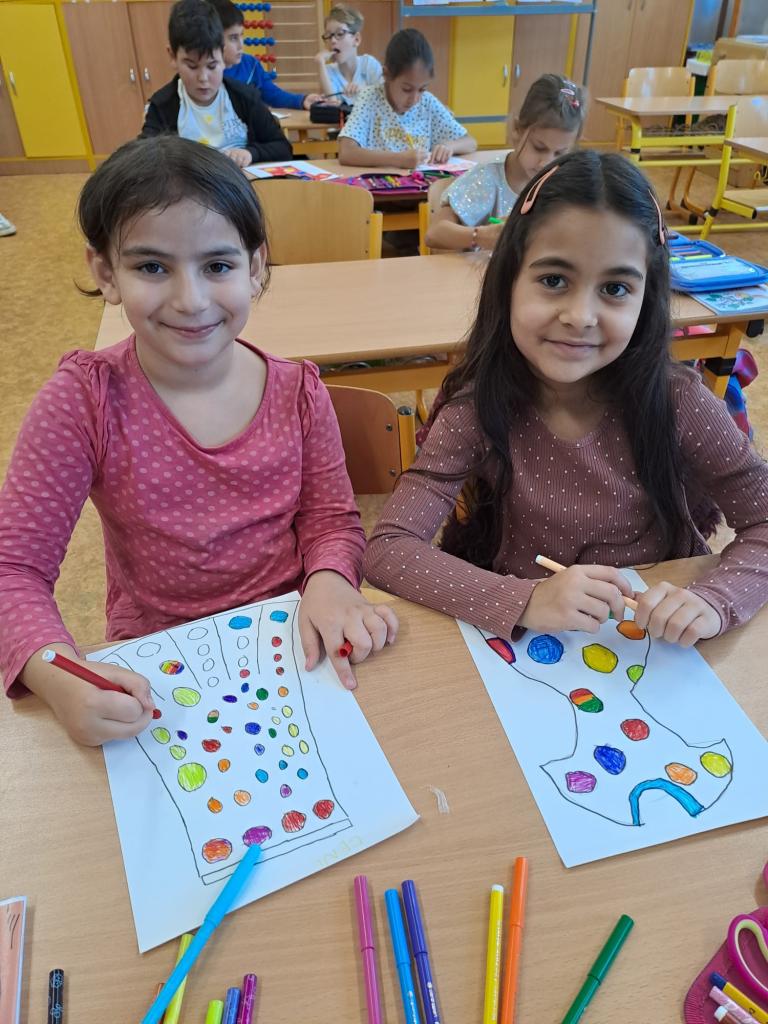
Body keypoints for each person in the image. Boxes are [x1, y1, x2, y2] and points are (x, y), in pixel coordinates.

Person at [0, 135, 397, 746]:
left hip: (295, 634)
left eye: (217, 266)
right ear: (106, 273)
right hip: (157, 656)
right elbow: (14, 568)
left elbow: (331, 521)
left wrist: (329, 579)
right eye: (152, 267)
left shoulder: (298, 392)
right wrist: (54, 672)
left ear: (255, 267)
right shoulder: (83, 400)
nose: (191, 301)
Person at [364, 150, 768, 647]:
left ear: (646, 298)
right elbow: (389, 548)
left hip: (654, 648)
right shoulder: (477, 406)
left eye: (615, 288)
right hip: (526, 643)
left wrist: (715, 601)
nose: (580, 316)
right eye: (553, 280)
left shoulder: (679, 401)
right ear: (509, 281)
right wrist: (526, 600)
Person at [426, 73, 586, 253]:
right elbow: (434, 233)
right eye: (539, 148)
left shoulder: (564, 185)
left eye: (560, 153)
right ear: (517, 130)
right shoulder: (488, 178)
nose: (546, 163)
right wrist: (481, 236)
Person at [140, 0, 292, 168]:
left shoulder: (245, 98)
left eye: (212, 66)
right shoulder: (162, 106)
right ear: (172, 56)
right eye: (192, 66)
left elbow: (283, 148)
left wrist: (251, 153)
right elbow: (143, 158)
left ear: (223, 54)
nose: (203, 78)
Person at [338, 28, 476, 169]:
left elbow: (470, 142)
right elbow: (346, 152)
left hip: (419, 182)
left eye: (422, 89)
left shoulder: (427, 102)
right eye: (407, 89)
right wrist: (398, 159)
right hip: (379, 182)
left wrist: (448, 146)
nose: (414, 99)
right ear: (386, 74)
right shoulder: (370, 99)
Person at [211, 0, 323, 111]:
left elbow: (273, 95)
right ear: (214, 38)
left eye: (241, 35)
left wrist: (302, 100)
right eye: (233, 38)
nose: (241, 45)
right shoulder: (206, 73)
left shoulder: (251, 65)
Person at [315, 5, 382, 103]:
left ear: (356, 39)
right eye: (329, 36)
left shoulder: (369, 64)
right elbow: (332, 105)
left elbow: (384, 99)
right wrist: (320, 63)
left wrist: (365, 92)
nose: (333, 40)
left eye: (340, 34)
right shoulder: (328, 72)